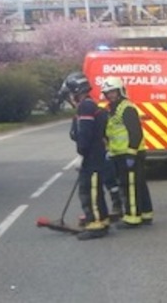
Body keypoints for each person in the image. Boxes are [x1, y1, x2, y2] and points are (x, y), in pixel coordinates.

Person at [61, 72, 110, 240]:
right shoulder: (88, 105)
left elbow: (86, 134)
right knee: (92, 190)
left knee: (90, 191)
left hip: (92, 157)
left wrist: (81, 154)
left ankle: (96, 225)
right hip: (94, 155)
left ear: (76, 91)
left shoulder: (86, 107)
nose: (69, 97)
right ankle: (101, 220)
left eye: (69, 93)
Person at [101, 76, 154, 228]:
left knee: (129, 186)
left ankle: (132, 218)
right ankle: (146, 214)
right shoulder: (113, 109)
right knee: (139, 185)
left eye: (113, 92)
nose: (110, 95)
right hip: (119, 153)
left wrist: (131, 153)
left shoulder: (126, 108)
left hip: (130, 154)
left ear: (120, 91)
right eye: (108, 93)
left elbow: (135, 133)